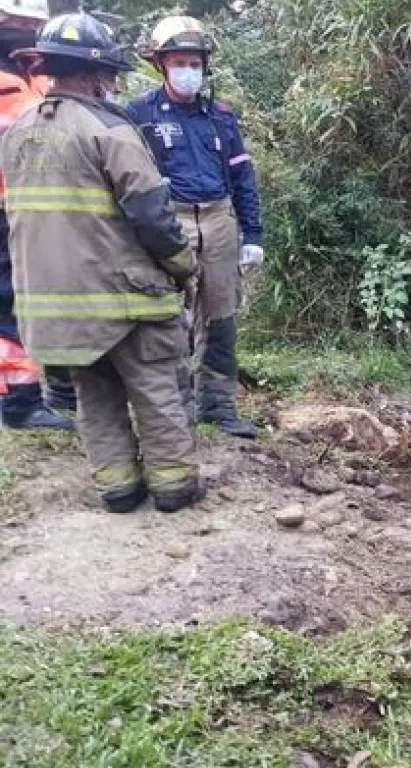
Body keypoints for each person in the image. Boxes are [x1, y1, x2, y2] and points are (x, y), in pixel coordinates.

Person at [1, 12, 203, 512]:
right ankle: (174, 487)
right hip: (123, 298)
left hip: (55, 308)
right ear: (95, 75)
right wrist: (182, 264)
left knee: (95, 398)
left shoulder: (18, 132)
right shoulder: (109, 129)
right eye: (110, 75)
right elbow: (151, 213)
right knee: (156, 390)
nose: (113, 85)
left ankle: (119, 489)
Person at [128, 15, 262, 438]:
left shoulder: (221, 116)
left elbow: (243, 178)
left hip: (220, 220)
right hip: (171, 222)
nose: (189, 71)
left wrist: (253, 236)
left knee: (221, 317)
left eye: (196, 63)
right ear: (162, 64)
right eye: (180, 61)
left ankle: (218, 406)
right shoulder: (139, 115)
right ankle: (174, 409)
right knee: (170, 319)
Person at [0, 0, 74, 431]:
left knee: (37, 299)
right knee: (11, 302)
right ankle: (20, 402)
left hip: (38, 207)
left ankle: (45, 391)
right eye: (19, 22)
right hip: (7, 210)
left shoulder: (33, 76)